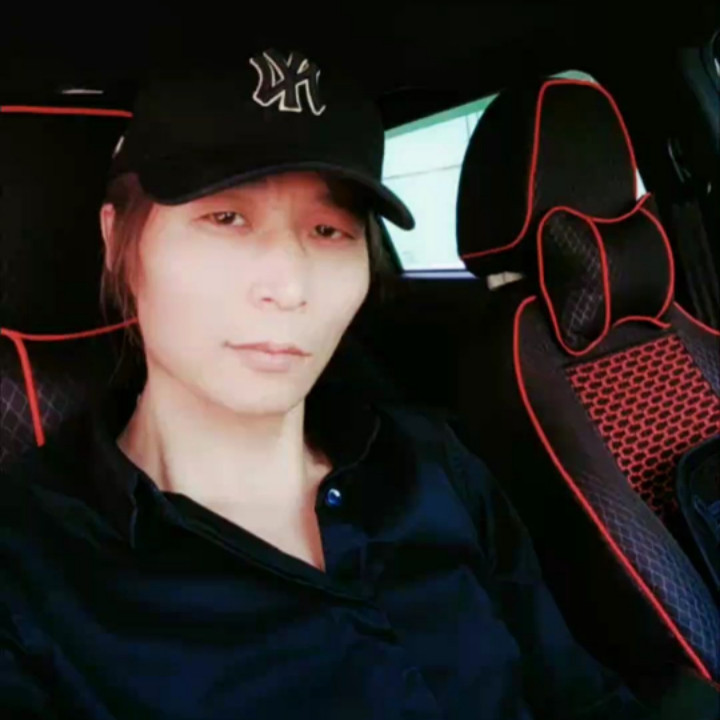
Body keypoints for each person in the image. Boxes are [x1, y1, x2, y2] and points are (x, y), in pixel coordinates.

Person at [2, 48, 654, 719]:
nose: (289, 287)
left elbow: (581, 698)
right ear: (118, 241)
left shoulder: (432, 462)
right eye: (226, 218)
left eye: (329, 230)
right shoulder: (27, 569)